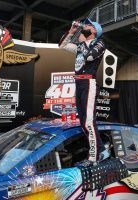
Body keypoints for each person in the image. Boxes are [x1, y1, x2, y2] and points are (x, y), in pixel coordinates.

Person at [59, 18, 110, 167]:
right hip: (78, 82)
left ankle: (94, 158)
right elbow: (62, 46)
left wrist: (81, 43)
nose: (85, 26)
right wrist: (71, 32)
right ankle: (101, 150)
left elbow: (89, 57)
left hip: (89, 83)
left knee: (88, 121)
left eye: (88, 25)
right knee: (83, 122)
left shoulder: (100, 43)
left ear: (94, 31)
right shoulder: (80, 46)